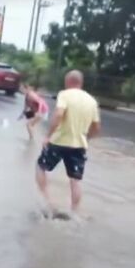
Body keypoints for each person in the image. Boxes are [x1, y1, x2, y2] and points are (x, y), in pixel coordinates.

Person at [36, 70, 100, 215]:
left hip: (58, 142)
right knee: (75, 180)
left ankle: (48, 203)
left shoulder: (64, 94)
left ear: (68, 82)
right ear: (81, 83)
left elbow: (59, 114)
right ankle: (74, 213)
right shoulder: (92, 101)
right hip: (79, 145)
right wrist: (87, 138)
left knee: (40, 167)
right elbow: (96, 127)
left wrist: (47, 136)